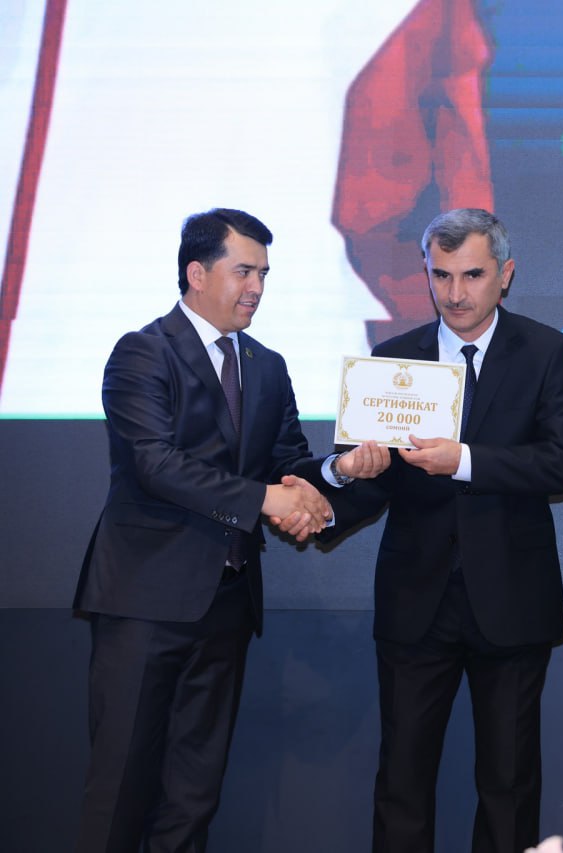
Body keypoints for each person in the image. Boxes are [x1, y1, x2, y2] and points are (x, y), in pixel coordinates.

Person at [314, 208, 563, 853]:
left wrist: (462, 460)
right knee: (402, 782)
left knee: (509, 784)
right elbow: (369, 478)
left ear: (505, 274)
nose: (455, 293)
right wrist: (335, 477)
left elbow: (560, 464)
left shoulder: (547, 352)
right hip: (416, 600)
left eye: (472, 275)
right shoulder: (391, 359)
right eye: (441, 275)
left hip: (512, 599)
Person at [72, 208, 344, 851]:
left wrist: (337, 473)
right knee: (121, 788)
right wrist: (268, 500)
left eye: (264, 274)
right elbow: (156, 465)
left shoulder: (267, 365)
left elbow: (286, 462)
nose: (257, 287)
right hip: (144, 602)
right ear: (196, 273)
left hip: (227, 604)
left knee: (194, 793)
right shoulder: (143, 351)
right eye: (243, 271)